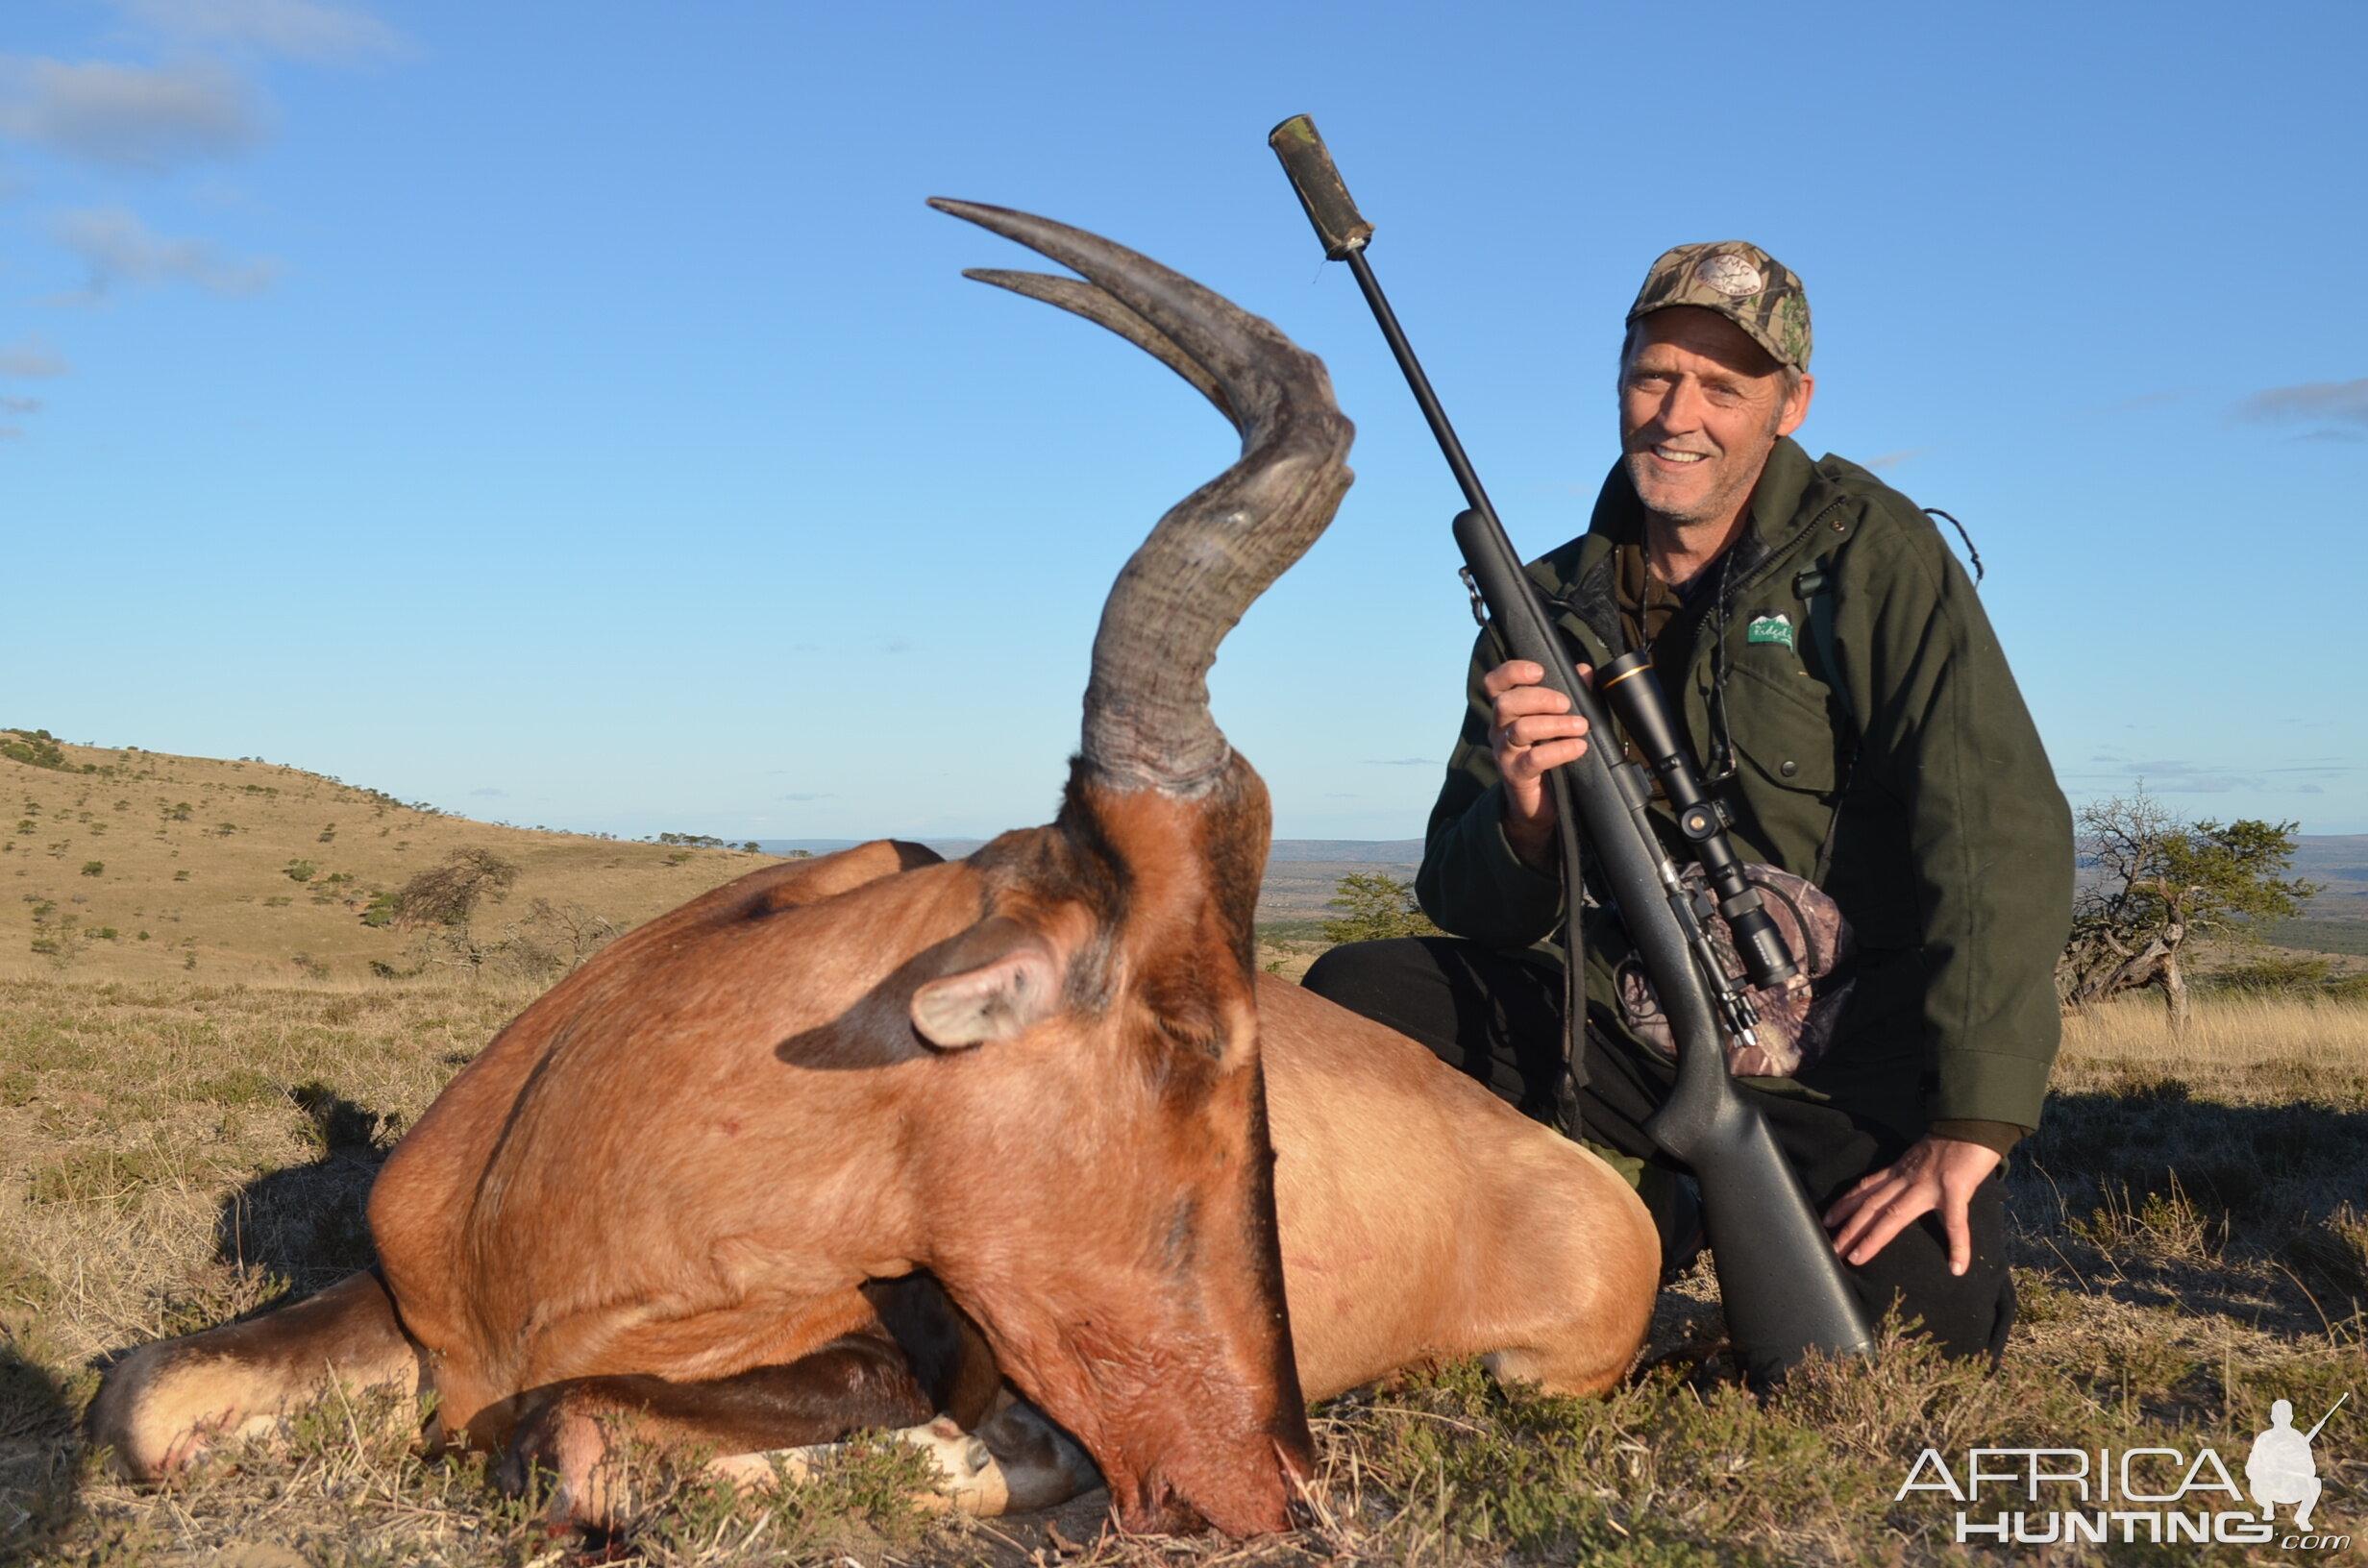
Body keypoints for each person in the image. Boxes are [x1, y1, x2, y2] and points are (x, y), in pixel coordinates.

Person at [1304, 242, 2072, 1362]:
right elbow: (1466, 902)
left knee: (1912, 1335)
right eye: (1654, 375)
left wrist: (1971, 1125)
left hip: (1845, 1061)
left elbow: (1992, 827)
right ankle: (1575, 1216)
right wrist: (1523, 814)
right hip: (1623, 1028)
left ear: (1789, 404)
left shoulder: (1873, 557)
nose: (1679, 414)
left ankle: (1691, 1199)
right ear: (1619, 379)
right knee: (1356, 996)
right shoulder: (1543, 605)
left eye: (1725, 386)